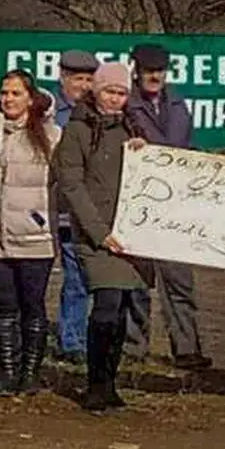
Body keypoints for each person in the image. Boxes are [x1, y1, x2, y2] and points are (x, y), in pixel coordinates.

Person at [54, 62, 154, 414]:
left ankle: (110, 384)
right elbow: (71, 184)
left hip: (129, 233)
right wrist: (98, 232)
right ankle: (96, 385)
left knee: (124, 308)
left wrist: (145, 152)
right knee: (107, 306)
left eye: (121, 93)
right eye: (110, 91)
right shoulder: (78, 130)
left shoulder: (132, 127)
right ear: (96, 91)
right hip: (96, 235)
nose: (115, 98)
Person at [124, 44, 212, 371]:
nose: (154, 76)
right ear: (137, 70)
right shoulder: (126, 104)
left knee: (179, 281)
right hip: (140, 203)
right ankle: (134, 347)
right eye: (148, 70)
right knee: (137, 280)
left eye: (159, 70)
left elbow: (187, 146)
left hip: (175, 205)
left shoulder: (178, 105)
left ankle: (187, 348)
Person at [0, 69, 61, 396]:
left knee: (33, 306)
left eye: (15, 93)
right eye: (5, 93)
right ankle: (7, 374)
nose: (9, 99)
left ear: (30, 97)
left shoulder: (52, 137)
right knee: (3, 307)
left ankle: (30, 374)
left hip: (35, 238)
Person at [52, 50, 99, 365]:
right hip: (60, 206)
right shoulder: (51, 113)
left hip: (93, 208)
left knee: (87, 277)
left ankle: (84, 337)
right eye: (77, 78)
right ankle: (71, 340)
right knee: (73, 279)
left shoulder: (99, 113)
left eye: (88, 79)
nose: (83, 85)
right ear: (63, 78)